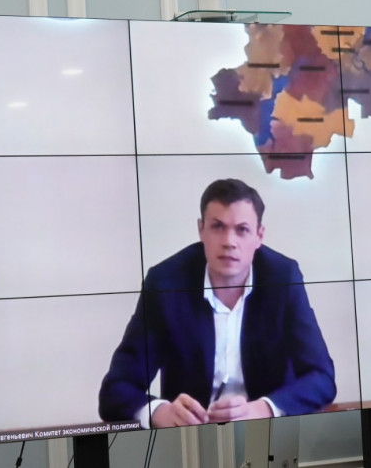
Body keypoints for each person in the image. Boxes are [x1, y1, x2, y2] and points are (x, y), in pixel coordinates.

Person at [99, 178, 335, 427]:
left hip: (267, 433)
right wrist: (159, 412)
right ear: (201, 230)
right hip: (192, 437)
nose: (229, 241)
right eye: (218, 227)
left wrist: (264, 408)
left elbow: (322, 378)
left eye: (242, 230)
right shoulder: (166, 283)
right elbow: (115, 389)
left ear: (259, 236)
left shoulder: (283, 279)